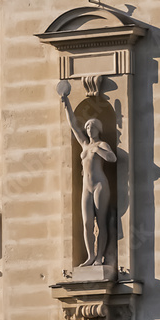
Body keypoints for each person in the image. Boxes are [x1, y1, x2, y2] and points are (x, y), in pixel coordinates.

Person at [61, 93, 116, 267]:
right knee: (86, 223)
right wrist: (66, 102)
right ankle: (90, 256)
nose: (89, 129)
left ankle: (100, 257)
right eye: (88, 126)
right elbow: (73, 125)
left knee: (100, 222)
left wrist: (96, 150)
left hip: (100, 185)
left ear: (98, 129)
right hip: (87, 186)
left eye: (92, 126)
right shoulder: (84, 145)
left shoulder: (101, 145)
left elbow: (112, 158)